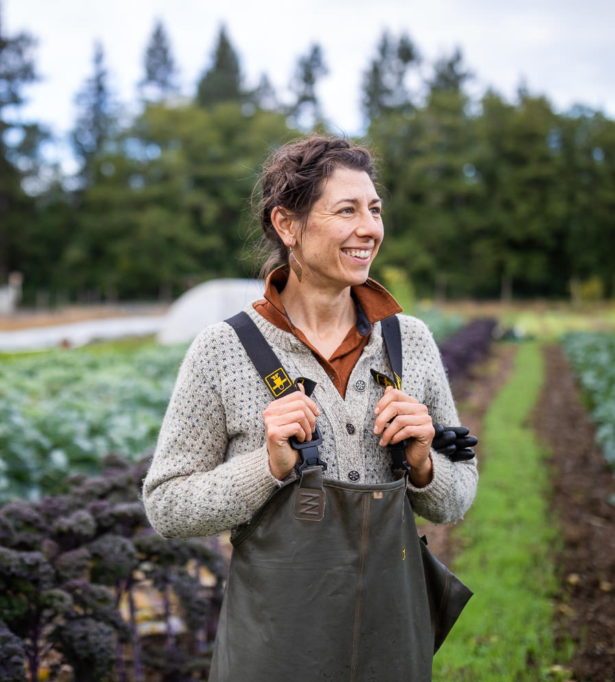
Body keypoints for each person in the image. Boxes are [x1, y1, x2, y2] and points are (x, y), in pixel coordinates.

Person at [141, 134, 478, 681]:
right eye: (346, 211)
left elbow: (457, 496)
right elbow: (167, 506)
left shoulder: (408, 341)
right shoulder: (223, 350)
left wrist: (423, 464)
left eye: (374, 210)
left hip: (391, 641)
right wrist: (268, 467)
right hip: (276, 649)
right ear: (287, 225)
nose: (369, 228)